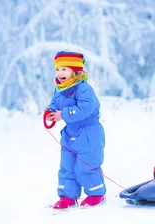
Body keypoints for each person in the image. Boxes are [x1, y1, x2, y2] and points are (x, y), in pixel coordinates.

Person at [45, 50, 106, 210]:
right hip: (69, 134)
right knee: (67, 166)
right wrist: (50, 112)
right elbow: (54, 103)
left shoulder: (84, 89)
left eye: (64, 69)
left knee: (86, 166)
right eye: (58, 69)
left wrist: (63, 114)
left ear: (75, 71)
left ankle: (96, 194)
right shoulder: (59, 89)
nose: (60, 73)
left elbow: (86, 108)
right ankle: (67, 197)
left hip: (88, 134)